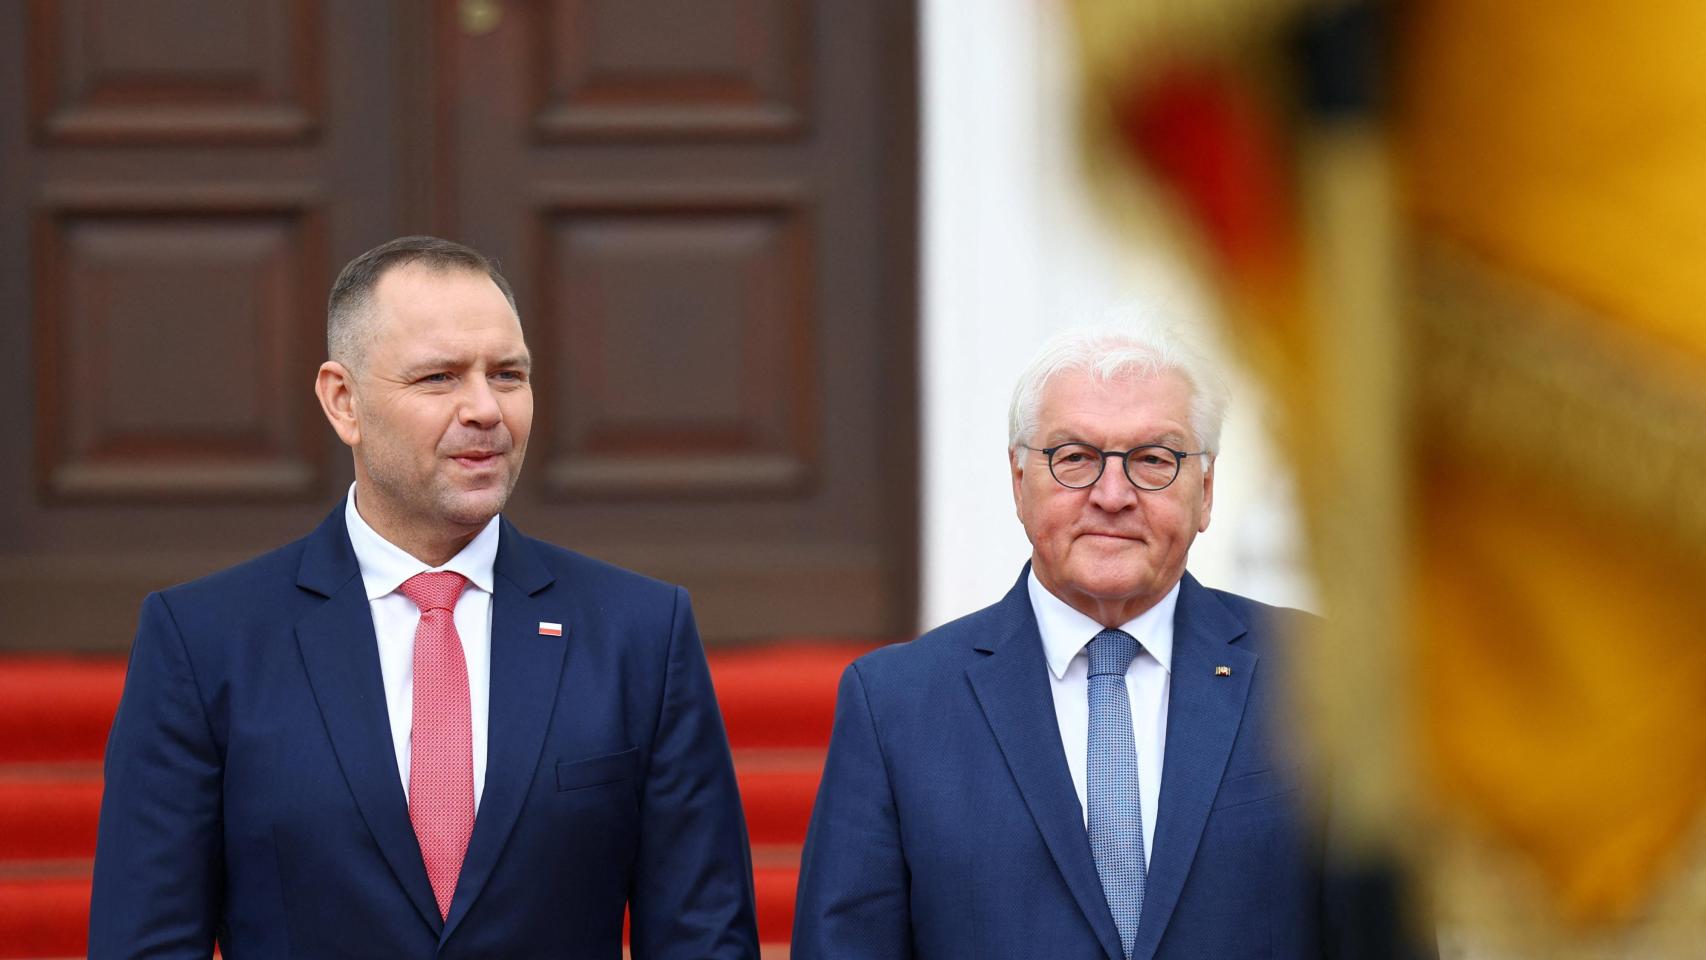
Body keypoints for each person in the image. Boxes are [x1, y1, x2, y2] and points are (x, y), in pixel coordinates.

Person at [89, 236, 759, 958]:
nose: (486, 409)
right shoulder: (204, 642)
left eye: (508, 374)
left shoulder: (640, 633)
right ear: (343, 401)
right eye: (439, 377)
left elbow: (703, 937)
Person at [793, 325, 1328, 959]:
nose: (1112, 495)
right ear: (1019, 481)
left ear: (1205, 492)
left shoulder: (1315, 672)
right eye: (1075, 457)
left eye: (1153, 460)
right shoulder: (896, 703)